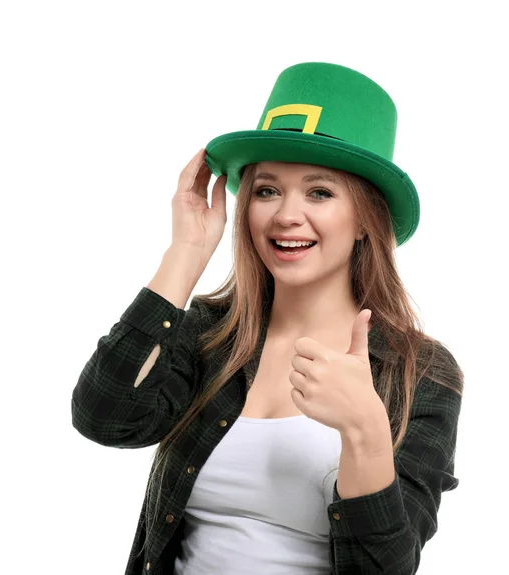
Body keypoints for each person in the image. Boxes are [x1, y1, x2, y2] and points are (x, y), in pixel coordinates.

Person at [71, 62, 464, 575]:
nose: (285, 215)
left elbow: (385, 567)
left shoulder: (422, 372)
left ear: (367, 221)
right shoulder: (210, 337)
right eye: (266, 190)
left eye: (319, 192)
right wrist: (186, 253)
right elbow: (105, 418)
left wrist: (364, 430)